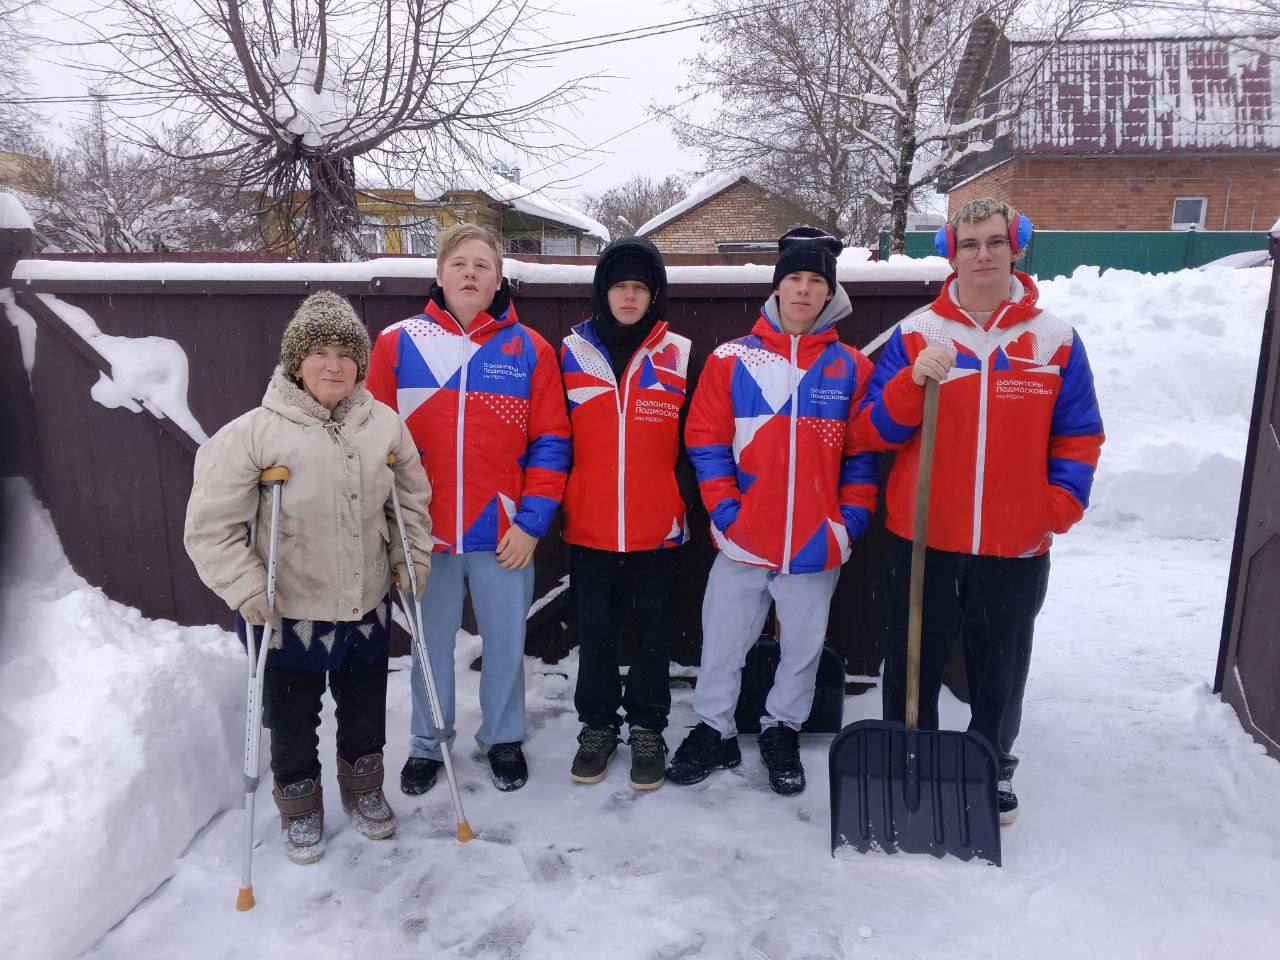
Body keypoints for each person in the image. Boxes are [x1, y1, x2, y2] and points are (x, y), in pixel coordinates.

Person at [856, 197, 1104, 824]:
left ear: (1015, 247)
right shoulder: (918, 335)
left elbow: (1079, 435)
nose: (983, 254)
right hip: (925, 533)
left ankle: (991, 762)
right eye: (970, 244)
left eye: (994, 242)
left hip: (1015, 540)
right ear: (952, 252)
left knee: (1003, 659)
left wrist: (1057, 505)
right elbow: (876, 431)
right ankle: (912, 756)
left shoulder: (1054, 340)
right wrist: (910, 383)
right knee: (914, 653)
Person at [184, 290, 433, 864]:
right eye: (320, 351)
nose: (334, 364)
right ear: (297, 361)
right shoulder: (254, 433)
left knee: (365, 711)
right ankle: (299, 805)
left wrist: (410, 557)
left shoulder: (384, 426)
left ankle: (365, 790)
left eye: (346, 353)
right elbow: (210, 527)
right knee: (292, 718)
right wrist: (245, 587)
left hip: (366, 604)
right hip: (286, 611)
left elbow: (411, 503)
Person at [671, 226, 879, 795]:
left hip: (817, 542)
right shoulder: (730, 360)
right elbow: (706, 443)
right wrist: (726, 514)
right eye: (794, 278)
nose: (804, 291)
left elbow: (862, 457)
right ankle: (713, 730)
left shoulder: (853, 369)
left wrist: (849, 523)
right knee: (721, 644)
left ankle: (781, 729)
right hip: (743, 539)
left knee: (802, 650)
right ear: (777, 287)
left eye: (816, 281)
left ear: (829, 292)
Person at [366, 222, 571, 794]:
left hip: (503, 530)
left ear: (499, 278)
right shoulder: (396, 343)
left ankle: (504, 739)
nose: (471, 274)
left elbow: (551, 442)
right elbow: (371, 441)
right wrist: (392, 523)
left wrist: (532, 523)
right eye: (460, 263)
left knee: (506, 643)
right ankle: (429, 744)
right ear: (439, 273)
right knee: (428, 647)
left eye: (483, 265)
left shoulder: (529, 349)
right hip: (423, 532)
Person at [559, 235, 690, 790]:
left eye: (640, 287)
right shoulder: (569, 353)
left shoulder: (679, 353)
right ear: (603, 292)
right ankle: (596, 725)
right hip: (588, 523)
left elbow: (697, 442)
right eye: (620, 286)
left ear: (653, 294)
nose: (629, 297)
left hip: (656, 524)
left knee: (653, 630)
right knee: (595, 631)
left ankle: (647, 728)